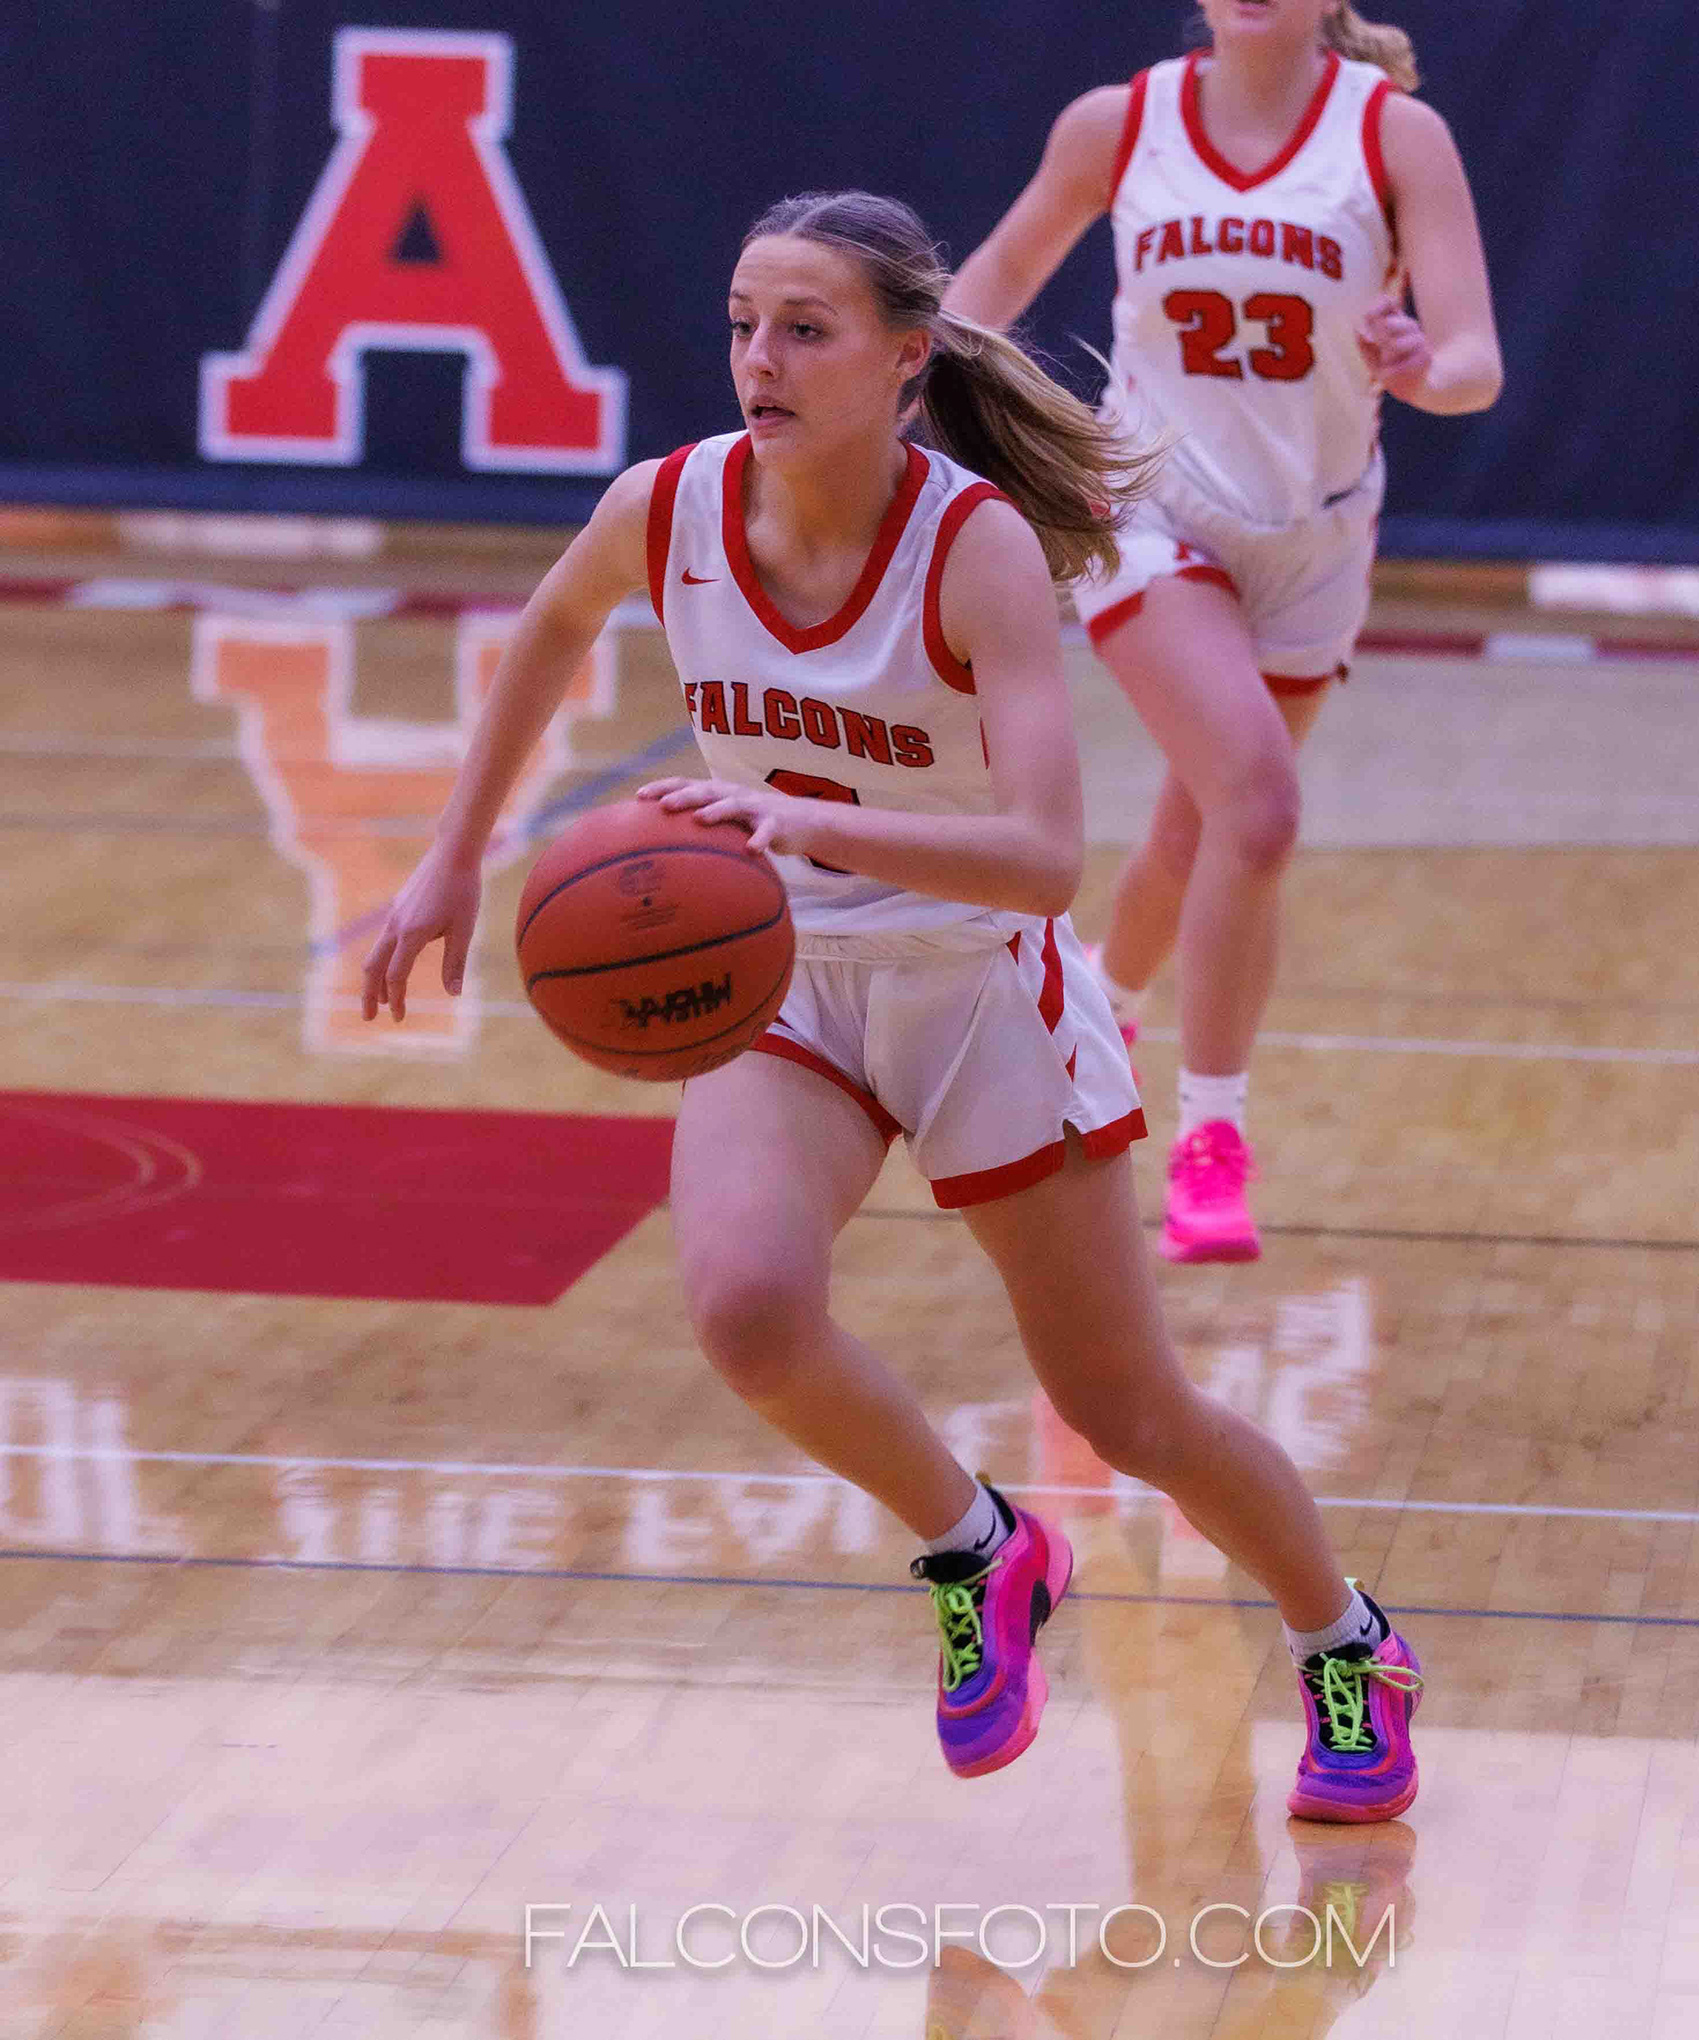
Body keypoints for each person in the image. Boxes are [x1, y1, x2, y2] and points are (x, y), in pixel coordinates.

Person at [362, 189, 1422, 1819]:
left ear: (906, 358)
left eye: (806, 329)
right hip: (783, 981)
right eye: (742, 325)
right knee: (747, 1313)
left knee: (1130, 1409)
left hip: (980, 986)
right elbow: (550, 627)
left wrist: (803, 821)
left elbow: (1046, 861)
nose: (759, 361)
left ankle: (1348, 1642)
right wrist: (449, 860)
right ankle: (979, 1546)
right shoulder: (670, 507)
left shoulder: (974, 545)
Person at [946, 0, 1502, 1261]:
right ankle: (1211, 1143)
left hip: (1317, 533)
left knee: (1197, 836)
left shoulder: (1394, 137)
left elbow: (1477, 361)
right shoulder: (1118, 124)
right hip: (1152, 506)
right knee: (1258, 806)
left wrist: (1425, 367)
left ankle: (1097, 1003)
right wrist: (914, 390)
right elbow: (990, 287)